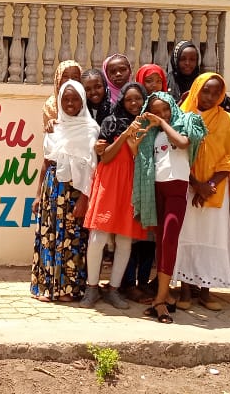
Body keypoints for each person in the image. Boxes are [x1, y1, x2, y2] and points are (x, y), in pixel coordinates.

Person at [172, 73, 230, 310]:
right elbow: (176, 153)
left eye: (217, 92)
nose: (211, 96)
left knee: (210, 236)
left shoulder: (228, 120)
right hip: (186, 186)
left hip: (216, 189)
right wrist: (196, 184)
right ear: (196, 89)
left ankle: (206, 290)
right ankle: (184, 290)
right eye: (206, 91)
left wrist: (210, 185)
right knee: (187, 235)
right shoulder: (182, 116)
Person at [132, 92, 205, 323]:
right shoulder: (152, 133)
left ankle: (161, 300)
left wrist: (163, 122)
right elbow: (144, 161)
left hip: (176, 189)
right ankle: (163, 298)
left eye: (165, 109)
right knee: (160, 242)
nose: (161, 114)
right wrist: (135, 143)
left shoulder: (185, 124)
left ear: (172, 107)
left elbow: (183, 143)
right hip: (157, 190)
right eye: (155, 111)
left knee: (169, 240)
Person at [82, 82, 149, 309]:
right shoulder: (110, 122)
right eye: (129, 99)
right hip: (109, 181)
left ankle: (113, 289)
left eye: (138, 99)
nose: (134, 103)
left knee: (124, 239)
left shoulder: (148, 124)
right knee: (98, 237)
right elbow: (107, 157)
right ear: (121, 101)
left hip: (133, 184)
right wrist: (124, 135)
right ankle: (91, 288)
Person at [30, 81, 98, 302]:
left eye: (75, 99)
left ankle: (69, 289)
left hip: (75, 193)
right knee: (50, 238)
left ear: (82, 101)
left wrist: (85, 199)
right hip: (53, 190)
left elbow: (92, 169)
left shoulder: (91, 129)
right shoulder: (54, 127)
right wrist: (39, 195)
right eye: (66, 99)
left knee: (73, 239)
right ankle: (47, 287)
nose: (70, 104)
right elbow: (46, 163)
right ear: (59, 101)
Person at [120, 63, 172, 302]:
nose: (152, 86)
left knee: (150, 239)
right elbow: (132, 149)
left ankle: (143, 282)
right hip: (133, 185)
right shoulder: (136, 122)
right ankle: (129, 283)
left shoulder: (167, 120)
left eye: (156, 81)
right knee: (133, 236)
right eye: (147, 81)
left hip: (157, 185)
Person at [168, 41, 230, 113]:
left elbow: (229, 107)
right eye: (183, 59)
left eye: (192, 59)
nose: (187, 63)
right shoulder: (166, 82)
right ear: (175, 60)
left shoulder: (204, 82)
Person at [42, 60, 82, 133]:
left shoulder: (87, 101)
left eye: (75, 77)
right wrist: (52, 125)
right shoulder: (51, 105)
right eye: (65, 76)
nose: (70, 80)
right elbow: (51, 137)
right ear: (59, 79)